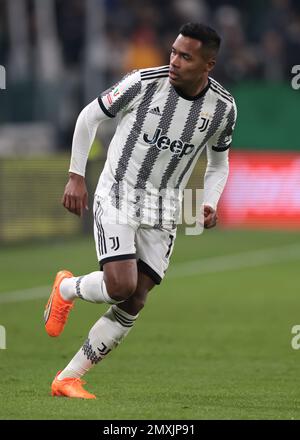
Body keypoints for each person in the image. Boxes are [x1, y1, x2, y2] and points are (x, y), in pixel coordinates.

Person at [44, 22, 237, 399]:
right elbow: (89, 117)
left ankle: (68, 378)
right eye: (173, 52)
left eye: (186, 56)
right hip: (119, 192)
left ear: (208, 64)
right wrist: (75, 176)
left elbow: (219, 163)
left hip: (164, 209)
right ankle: (66, 288)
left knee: (135, 300)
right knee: (120, 285)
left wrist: (211, 201)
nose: (175, 61)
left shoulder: (223, 108)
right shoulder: (143, 83)